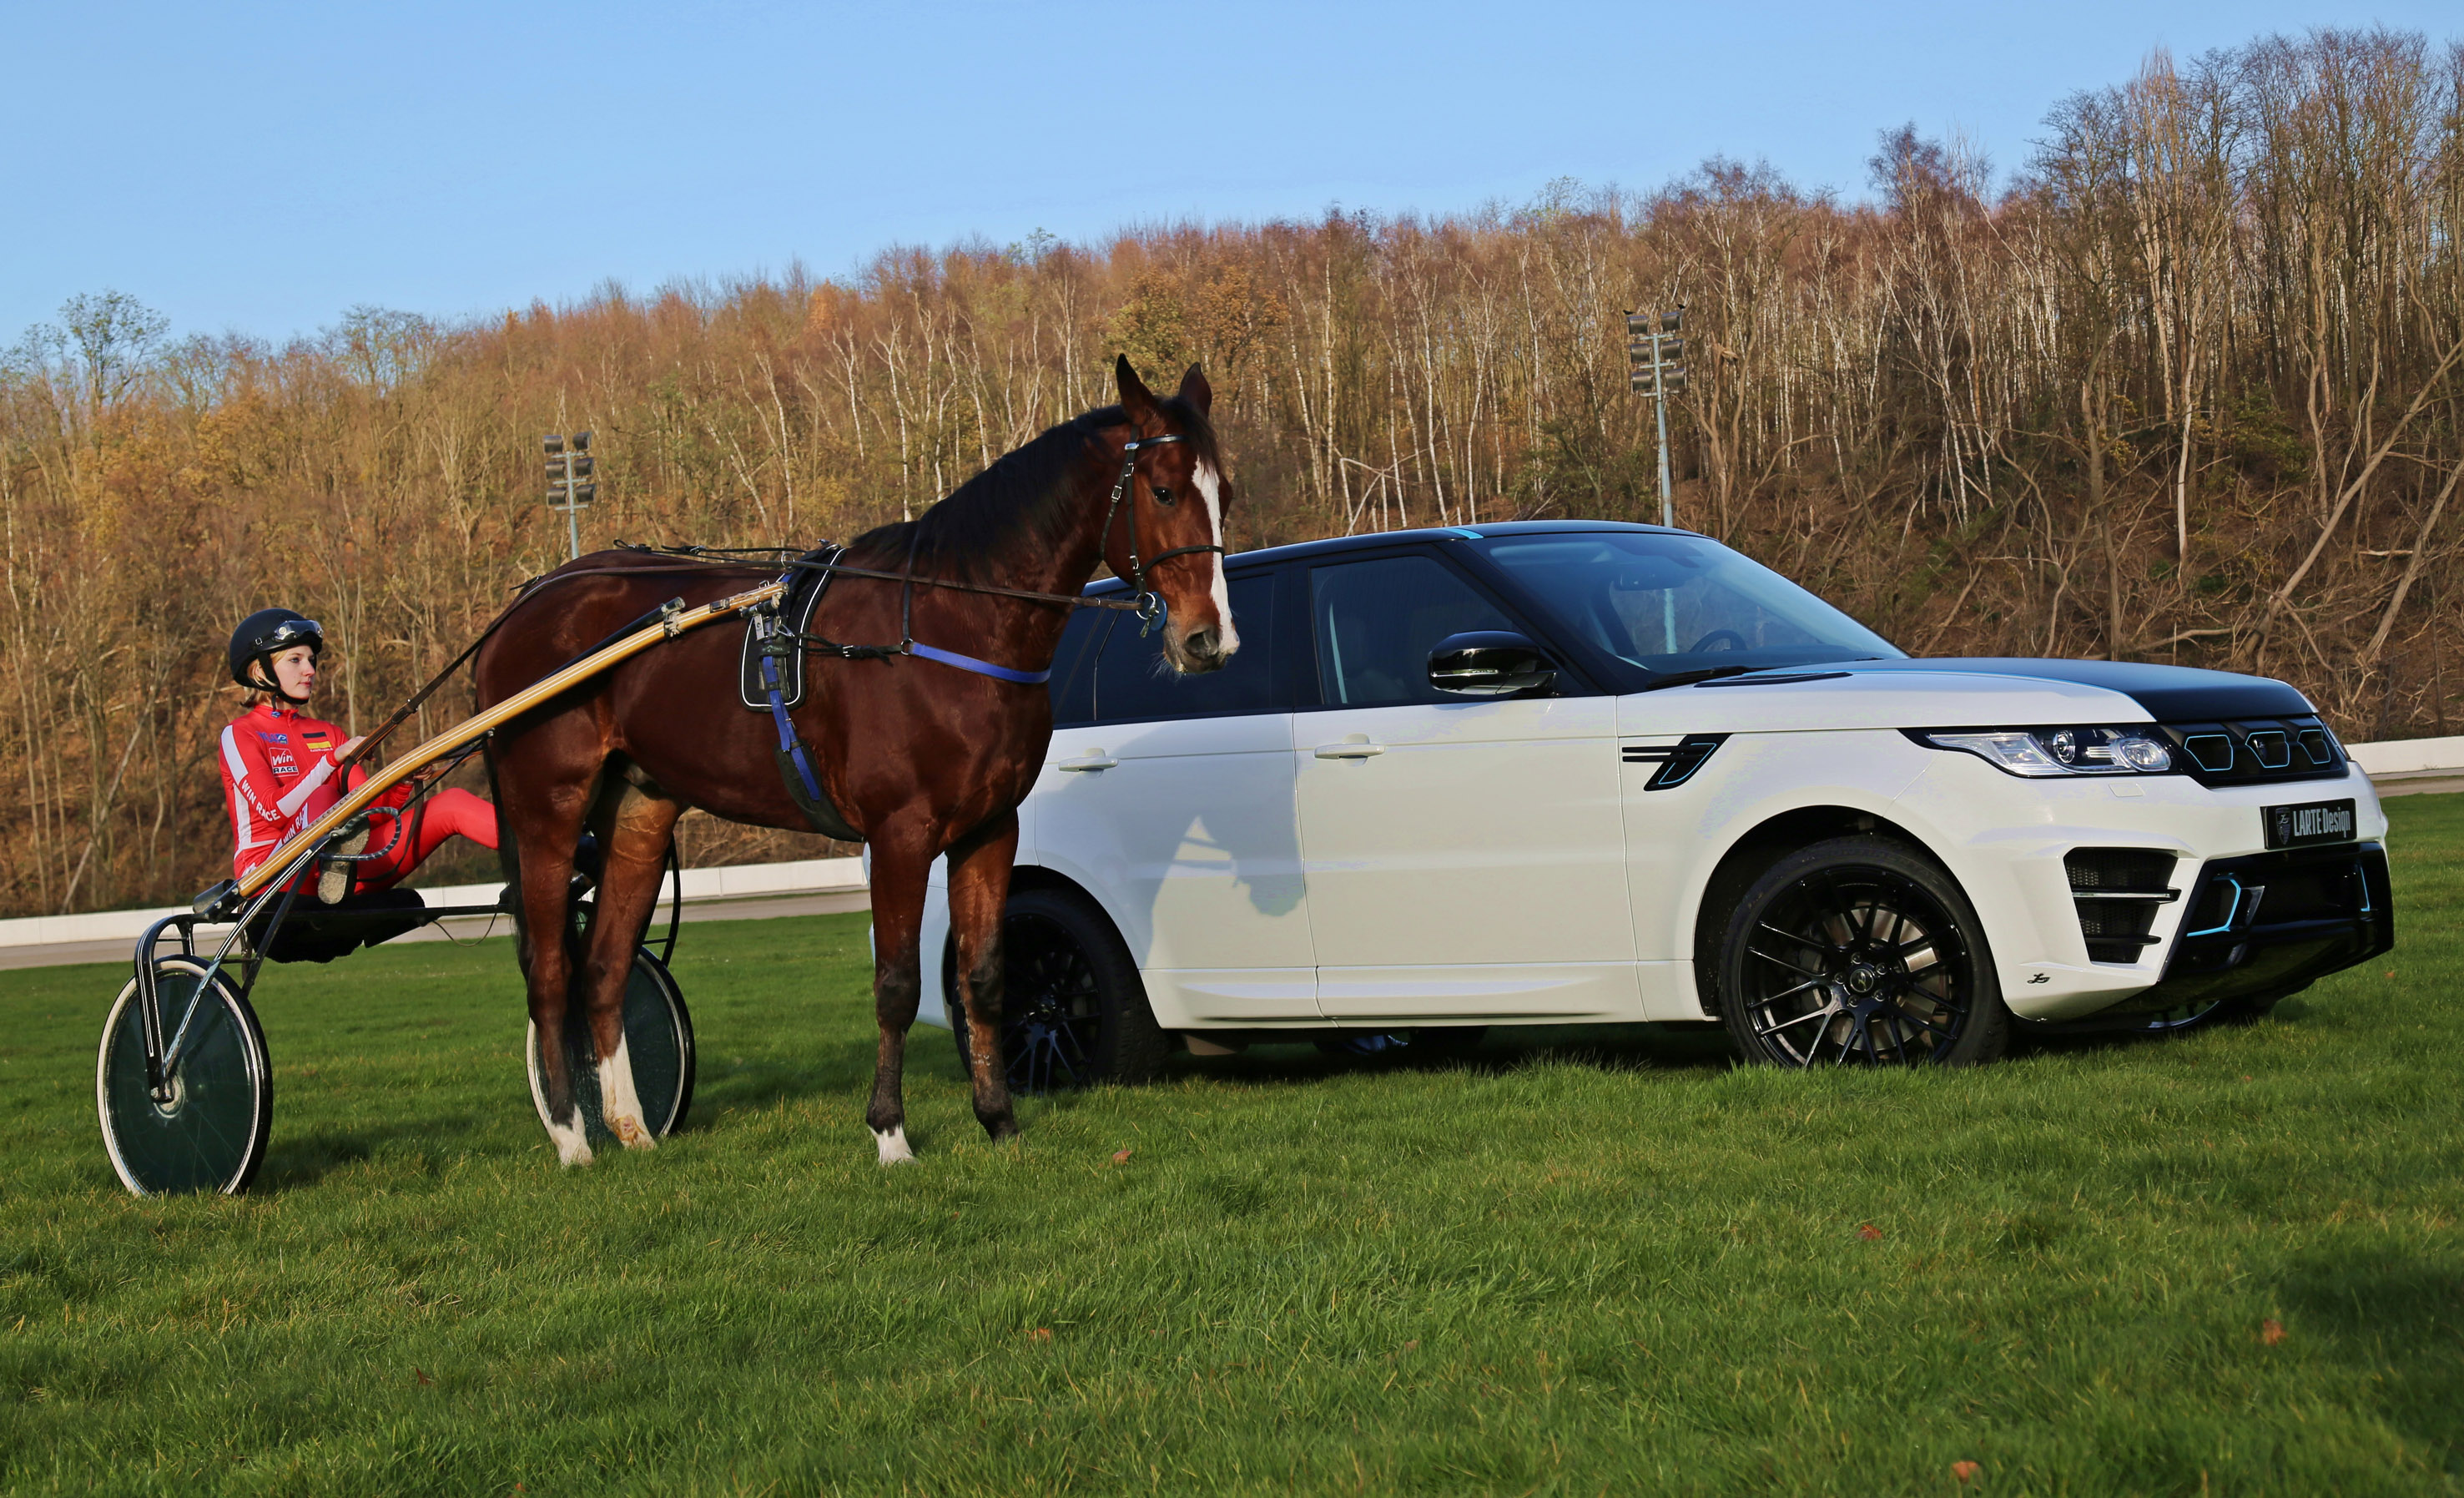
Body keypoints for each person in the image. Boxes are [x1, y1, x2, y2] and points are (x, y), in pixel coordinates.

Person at [221, 608, 500, 962]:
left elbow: (373, 815)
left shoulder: (327, 733)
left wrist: (404, 780)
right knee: (326, 794)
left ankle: (560, 846)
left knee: (453, 803)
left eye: (311, 659)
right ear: (260, 671)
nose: (310, 670)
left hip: (340, 877)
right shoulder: (240, 734)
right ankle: (335, 859)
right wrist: (332, 762)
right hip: (273, 882)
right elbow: (274, 811)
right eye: (296, 660)